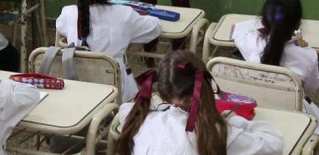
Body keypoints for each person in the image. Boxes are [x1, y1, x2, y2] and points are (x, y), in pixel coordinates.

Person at [116, 50, 284, 155]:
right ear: (204, 86)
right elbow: (275, 142)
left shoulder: (140, 120)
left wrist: (158, 105)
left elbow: (125, 108)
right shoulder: (215, 132)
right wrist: (231, 119)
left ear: (161, 92)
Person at [232, 0, 319, 153]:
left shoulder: (249, 42)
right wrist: (305, 48)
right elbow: (313, 87)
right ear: (298, 24)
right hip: (293, 112)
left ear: (263, 21)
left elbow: (236, 30)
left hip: (254, 110)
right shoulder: (306, 55)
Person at [55, 0, 162, 102]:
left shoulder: (69, 13)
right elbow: (154, 28)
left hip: (78, 91)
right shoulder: (124, 15)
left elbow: (60, 26)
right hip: (118, 95)